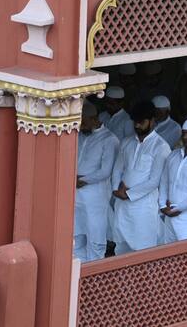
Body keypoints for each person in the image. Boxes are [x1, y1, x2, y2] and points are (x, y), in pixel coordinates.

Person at [111, 101, 171, 254]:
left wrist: (129, 194)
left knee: (143, 250)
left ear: (152, 121)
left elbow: (154, 181)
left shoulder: (161, 146)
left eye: (142, 122)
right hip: (122, 205)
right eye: (135, 122)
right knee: (121, 248)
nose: (137, 126)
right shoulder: (126, 142)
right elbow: (117, 169)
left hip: (143, 207)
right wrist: (115, 189)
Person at [74, 102, 119, 262]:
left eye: (84, 122)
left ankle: (92, 277)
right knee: (76, 237)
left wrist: (83, 180)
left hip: (95, 196)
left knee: (95, 239)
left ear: (93, 119)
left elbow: (105, 171)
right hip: (76, 195)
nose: (80, 126)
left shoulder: (109, 139)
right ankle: (77, 274)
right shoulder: (79, 134)